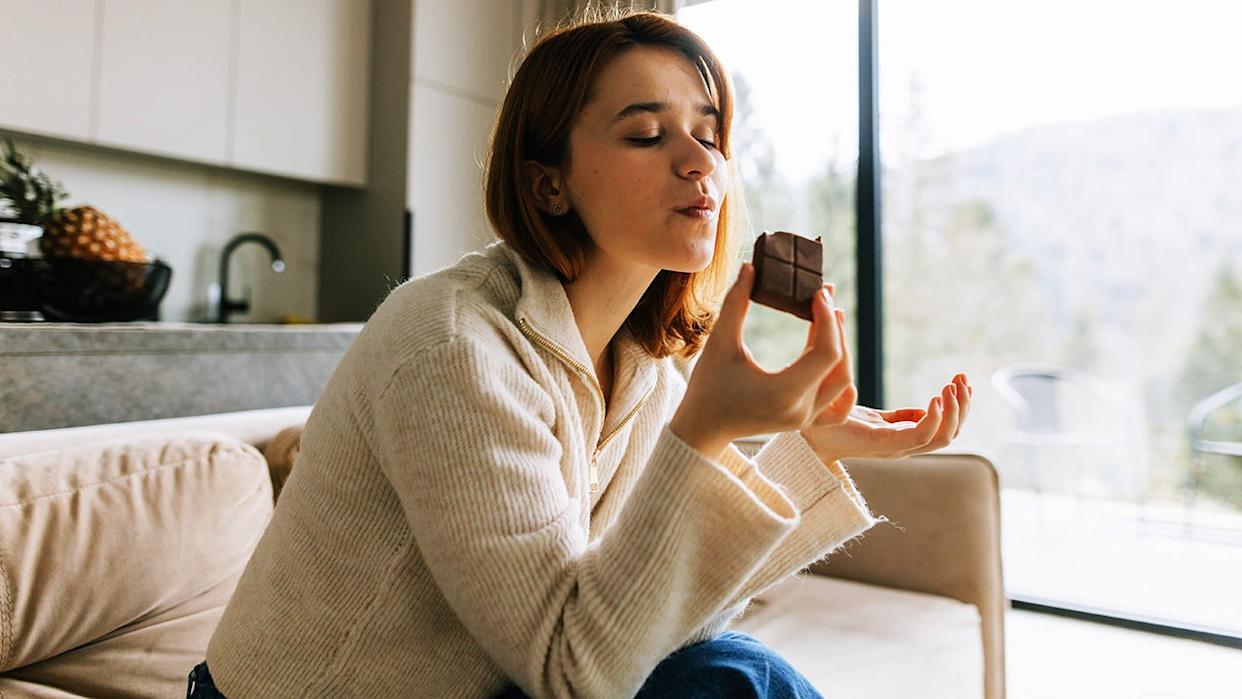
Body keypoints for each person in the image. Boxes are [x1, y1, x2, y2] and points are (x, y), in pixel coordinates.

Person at [189, 10, 972, 699]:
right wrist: (701, 434)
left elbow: (657, 624)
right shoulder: (453, 346)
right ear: (549, 184)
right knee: (733, 676)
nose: (700, 162)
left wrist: (808, 449)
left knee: (723, 667)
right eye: (646, 133)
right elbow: (573, 673)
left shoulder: (642, 369)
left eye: (709, 132)